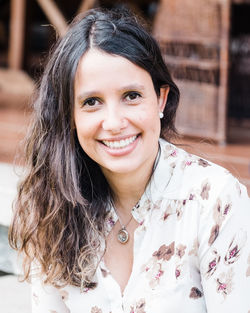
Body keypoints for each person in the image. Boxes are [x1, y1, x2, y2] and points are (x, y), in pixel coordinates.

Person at [9, 7, 250, 313]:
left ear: (160, 99)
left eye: (131, 96)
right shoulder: (52, 205)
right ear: (69, 115)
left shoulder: (216, 203)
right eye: (91, 102)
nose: (113, 122)